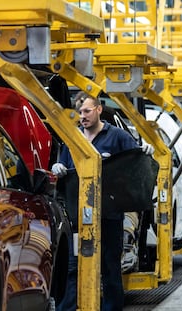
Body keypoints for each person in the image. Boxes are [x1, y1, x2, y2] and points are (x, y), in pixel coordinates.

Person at [52, 93, 154, 311]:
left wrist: (145, 152)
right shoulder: (72, 139)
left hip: (109, 214)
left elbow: (134, 160)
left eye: (87, 111)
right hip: (79, 217)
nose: (82, 117)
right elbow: (62, 165)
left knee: (109, 267)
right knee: (73, 267)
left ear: (99, 109)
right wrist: (58, 168)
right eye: (79, 113)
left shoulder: (116, 136)